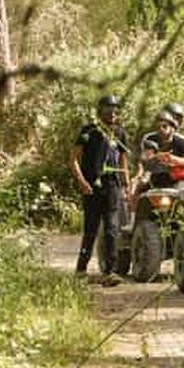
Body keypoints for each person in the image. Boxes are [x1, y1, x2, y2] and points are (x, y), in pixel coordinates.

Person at [70, 94, 130, 279]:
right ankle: (81, 269)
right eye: (108, 108)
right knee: (91, 229)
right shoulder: (89, 131)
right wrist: (82, 182)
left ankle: (109, 272)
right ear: (100, 110)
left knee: (112, 229)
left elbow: (123, 160)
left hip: (113, 185)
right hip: (92, 187)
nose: (113, 112)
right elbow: (73, 159)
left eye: (116, 109)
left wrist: (126, 184)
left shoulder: (120, 133)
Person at [140, 108, 184, 188]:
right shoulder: (151, 138)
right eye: (158, 127)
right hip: (153, 177)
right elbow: (144, 158)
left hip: (175, 178)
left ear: (172, 127)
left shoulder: (179, 141)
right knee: (138, 186)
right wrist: (157, 157)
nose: (161, 129)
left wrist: (173, 159)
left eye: (164, 126)